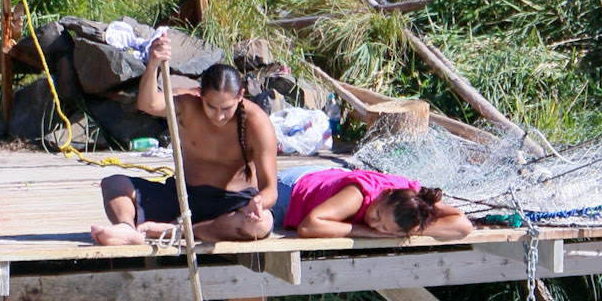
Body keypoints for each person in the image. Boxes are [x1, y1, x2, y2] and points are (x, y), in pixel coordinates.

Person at [91, 37, 277, 246]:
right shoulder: (187, 105)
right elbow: (148, 103)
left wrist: (258, 202)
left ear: (240, 96)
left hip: (232, 205)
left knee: (262, 224)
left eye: (226, 109)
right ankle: (126, 228)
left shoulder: (257, 123)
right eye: (211, 107)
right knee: (114, 183)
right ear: (200, 94)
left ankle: (181, 231)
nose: (218, 116)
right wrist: (153, 63)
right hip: (184, 197)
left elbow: (270, 188)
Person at [280, 167, 473, 241]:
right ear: (385, 194)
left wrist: (412, 230)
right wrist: (367, 232)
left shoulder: (413, 198)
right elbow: (308, 226)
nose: (375, 224)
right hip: (292, 189)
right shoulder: (358, 195)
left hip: (328, 178)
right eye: (378, 215)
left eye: (384, 228)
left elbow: (463, 226)